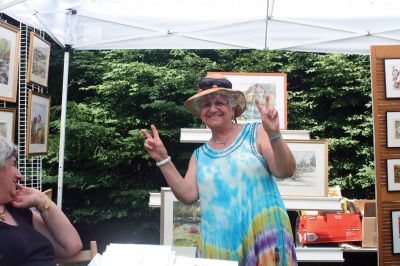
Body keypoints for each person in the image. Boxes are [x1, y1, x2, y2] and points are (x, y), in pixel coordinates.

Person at [141, 74, 297, 265]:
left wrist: (274, 135)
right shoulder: (200, 155)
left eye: (219, 103)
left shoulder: (257, 132)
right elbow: (187, 195)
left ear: (232, 108)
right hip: (218, 245)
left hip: (263, 238)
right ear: (201, 114)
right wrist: (163, 159)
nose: (212, 109)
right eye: (206, 105)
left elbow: (285, 171)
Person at [0, 138, 83, 265]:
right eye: (13, 164)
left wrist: (42, 201)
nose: (19, 175)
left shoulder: (17, 210)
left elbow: (71, 246)